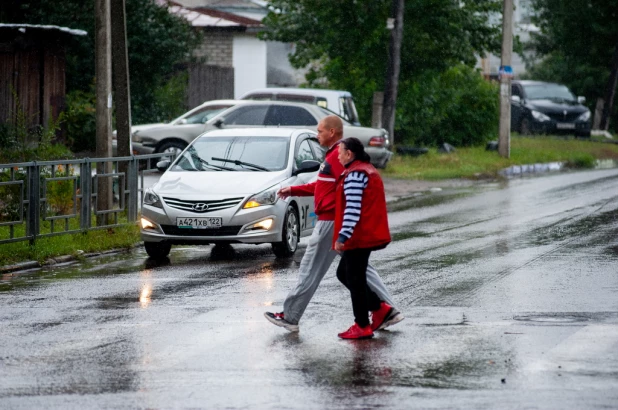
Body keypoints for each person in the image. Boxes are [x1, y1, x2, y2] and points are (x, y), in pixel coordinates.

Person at [264, 115, 403, 332]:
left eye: (320, 131)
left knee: (310, 270)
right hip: (334, 221)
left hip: (330, 222)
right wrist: (293, 190)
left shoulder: (340, 157)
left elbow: (348, 189)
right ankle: (386, 310)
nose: (317, 134)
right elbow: (323, 186)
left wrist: (343, 230)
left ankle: (290, 317)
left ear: (332, 133)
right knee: (359, 270)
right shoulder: (333, 156)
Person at [333, 137, 392, 339]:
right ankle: (378, 308)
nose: (338, 155)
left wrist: (342, 236)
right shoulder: (363, 169)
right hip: (362, 235)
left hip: (359, 236)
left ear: (349, 154)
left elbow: (353, 209)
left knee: (355, 279)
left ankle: (362, 324)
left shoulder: (355, 175)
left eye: (340, 152)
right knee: (345, 274)